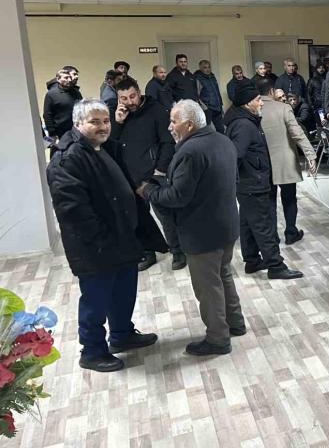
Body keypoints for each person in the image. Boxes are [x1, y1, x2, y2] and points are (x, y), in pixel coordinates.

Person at [47, 99, 164, 372]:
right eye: (94, 122)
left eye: (105, 121)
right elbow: (73, 211)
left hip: (123, 239)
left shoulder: (106, 148)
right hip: (96, 247)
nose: (102, 127)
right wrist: (102, 239)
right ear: (78, 123)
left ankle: (122, 335)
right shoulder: (67, 159)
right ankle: (92, 352)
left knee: (124, 292)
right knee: (96, 301)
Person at [140, 100, 245, 356]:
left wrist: (149, 190)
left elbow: (177, 196)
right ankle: (235, 323)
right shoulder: (223, 140)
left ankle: (218, 339)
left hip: (202, 232)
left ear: (188, 125)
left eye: (173, 121)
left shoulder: (190, 152)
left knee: (208, 287)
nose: (170, 127)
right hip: (227, 225)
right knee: (223, 275)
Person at [225, 82, 304, 281]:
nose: (261, 103)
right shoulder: (244, 125)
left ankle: (252, 261)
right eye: (258, 99)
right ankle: (276, 266)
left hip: (247, 183)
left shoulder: (244, 120)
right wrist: (254, 172)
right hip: (253, 183)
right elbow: (236, 155)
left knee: (247, 222)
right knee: (264, 224)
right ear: (247, 103)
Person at [111, 78, 180, 272]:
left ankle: (178, 250)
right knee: (137, 218)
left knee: (165, 215)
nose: (129, 101)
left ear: (139, 92)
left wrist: (160, 170)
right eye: (124, 98)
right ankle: (147, 251)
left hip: (153, 175)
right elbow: (111, 144)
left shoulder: (156, 110)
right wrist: (117, 123)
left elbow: (168, 142)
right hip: (128, 176)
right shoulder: (118, 115)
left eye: (132, 96)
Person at [258, 79, 318, 246]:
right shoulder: (284, 108)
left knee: (269, 200)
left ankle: (272, 236)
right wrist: (310, 154)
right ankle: (291, 232)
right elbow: (297, 133)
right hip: (286, 160)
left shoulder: (255, 109)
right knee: (289, 198)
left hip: (264, 161)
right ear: (271, 91)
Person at [43, 67, 82, 145]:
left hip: (76, 129)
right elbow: (47, 115)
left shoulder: (76, 92)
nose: (69, 80)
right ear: (58, 79)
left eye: (70, 77)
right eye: (66, 78)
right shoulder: (51, 94)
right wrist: (52, 134)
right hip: (60, 132)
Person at [195, 59, 224, 133]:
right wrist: (204, 107)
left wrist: (221, 105)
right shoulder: (198, 78)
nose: (207, 69)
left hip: (217, 107)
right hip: (208, 108)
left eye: (209, 67)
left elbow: (217, 92)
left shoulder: (212, 77)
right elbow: (197, 95)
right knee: (207, 130)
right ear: (200, 68)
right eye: (205, 67)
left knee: (221, 129)